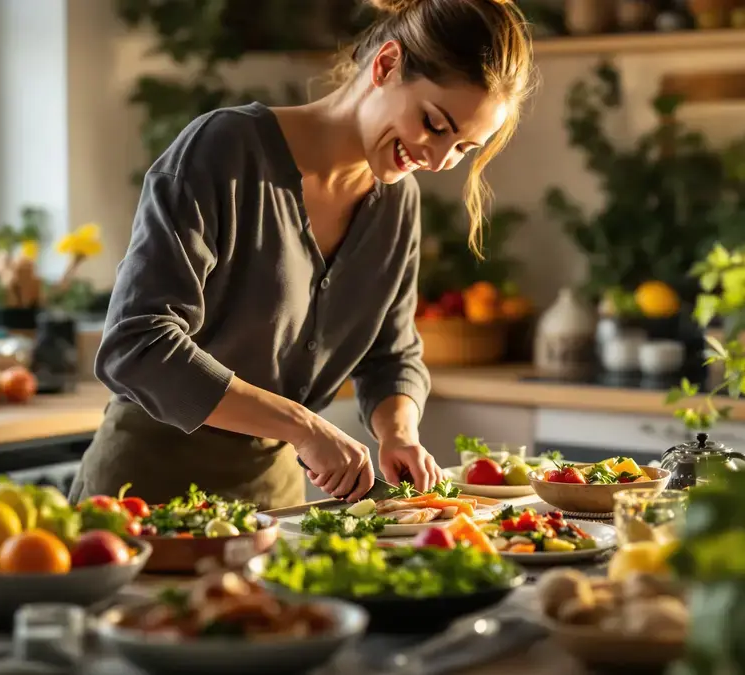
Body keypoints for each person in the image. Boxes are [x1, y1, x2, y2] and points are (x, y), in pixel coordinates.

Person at [69, 0, 536, 510]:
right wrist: (303, 426)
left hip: (274, 510)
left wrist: (398, 431)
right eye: (434, 123)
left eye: (464, 148)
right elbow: (136, 347)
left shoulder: (397, 202)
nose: (439, 159)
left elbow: (390, 354)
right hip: (140, 504)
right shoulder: (223, 152)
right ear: (386, 65)